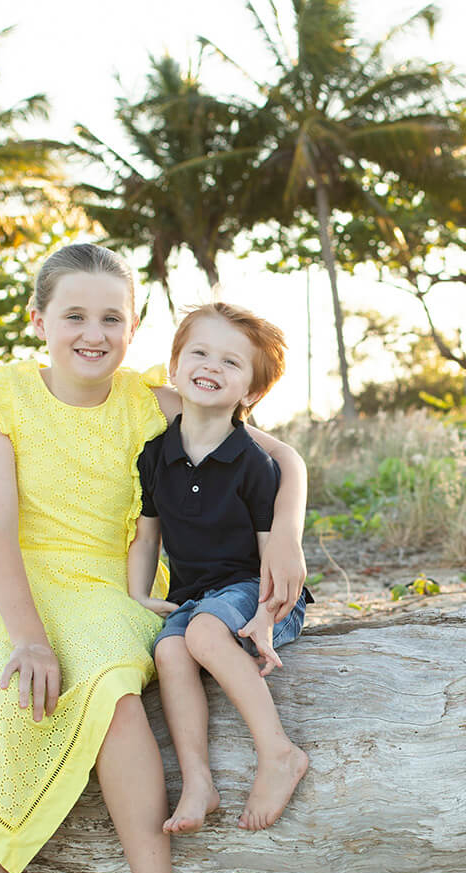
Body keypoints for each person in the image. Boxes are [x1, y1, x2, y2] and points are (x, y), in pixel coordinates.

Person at [0, 244, 307, 873]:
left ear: (133, 329)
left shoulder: (149, 399)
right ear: (39, 320)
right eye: (74, 315)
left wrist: (288, 533)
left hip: (122, 589)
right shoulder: (0, 395)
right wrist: (30, 637)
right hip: (22, 589)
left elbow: (280, 457)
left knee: (110, 690)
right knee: (18, 696)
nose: (92, 333)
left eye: (112, 317)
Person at [127, 303, 312, 835]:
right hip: (197, 597)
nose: (211, 366)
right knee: (168, 648)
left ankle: (279, 753)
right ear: (174, 367)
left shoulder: (255, 462)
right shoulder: (156, 453)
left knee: (205, 633)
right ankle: (198, 781)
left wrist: (265, 617)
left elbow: (269, 558)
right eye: (200, 353)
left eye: (231, 362)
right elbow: (147, 534)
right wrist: (139, 595)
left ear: (250, 393)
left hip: (259, 594)